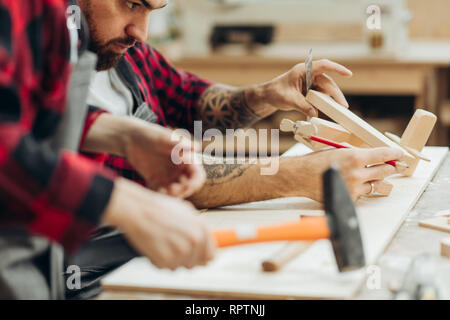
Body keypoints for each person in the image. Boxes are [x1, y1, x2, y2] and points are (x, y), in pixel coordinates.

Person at [78, 0, 406, 208]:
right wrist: (296, 175)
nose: (142, 32)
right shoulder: (42, 73)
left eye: (151, 10)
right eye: (131, 4)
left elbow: (189, 100)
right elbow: (156, 172)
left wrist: (267, 94)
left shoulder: (121, 50)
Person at [0, 0, 215, 300]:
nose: (141, 33)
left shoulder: (67, 20)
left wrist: (121, 135)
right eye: (129, 2)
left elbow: (29, 116)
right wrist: (119, 201)